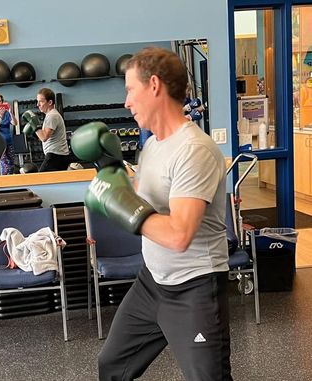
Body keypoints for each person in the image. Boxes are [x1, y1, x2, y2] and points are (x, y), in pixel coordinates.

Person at [76, 46, 232, 380]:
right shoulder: (153, 145)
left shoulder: (195, 150)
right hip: (152, 283)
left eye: (130, 90)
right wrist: (112, 172)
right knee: (112, 365)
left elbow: (178, 235)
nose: (126, 102)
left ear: (155, 86)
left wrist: (122, 205)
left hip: (195, 288)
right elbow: (146, 201)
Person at [25, 88, 70, 172]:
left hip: (55, 156)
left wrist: (35, 125)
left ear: (50, 102)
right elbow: (44, 137)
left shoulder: (52, 116)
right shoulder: (51, 115)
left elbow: (44, 137)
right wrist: (34, 133)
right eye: (37, 101)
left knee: (41, 181)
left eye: (41, 101)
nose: (38, 104)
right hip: (58, 155)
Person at [0, 93, 15, 175]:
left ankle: (11, 182)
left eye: (0, 101)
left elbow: (14, 123)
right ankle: (4, 180)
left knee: (11, 164)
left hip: (9, 142)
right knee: (5, 164)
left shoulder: (6, 113)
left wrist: (11, 112)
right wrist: (0, 117)